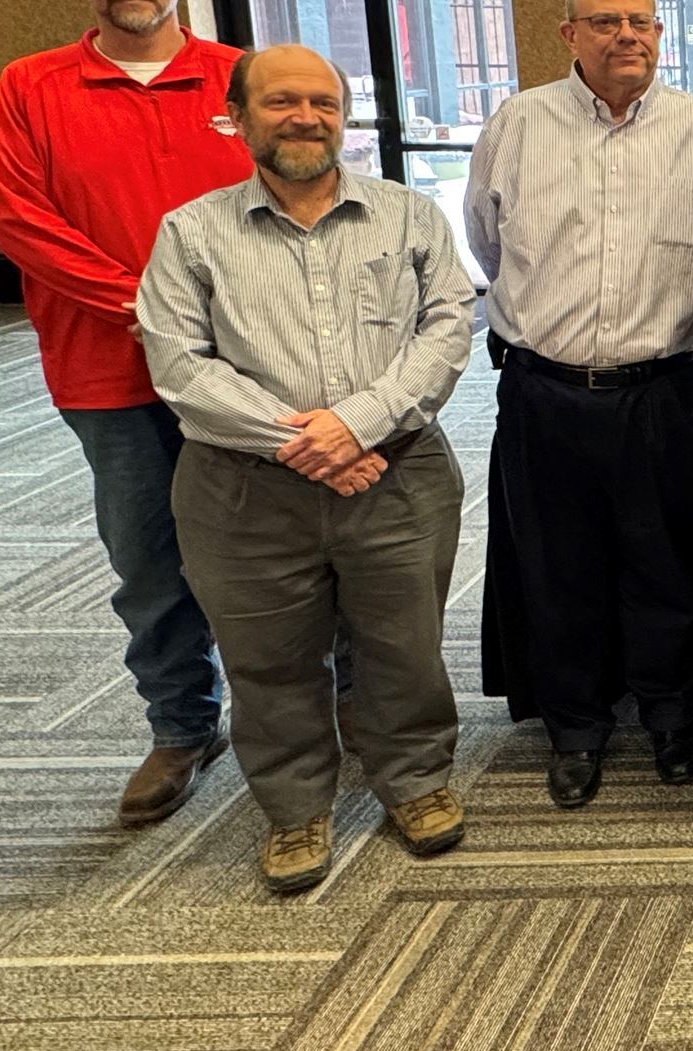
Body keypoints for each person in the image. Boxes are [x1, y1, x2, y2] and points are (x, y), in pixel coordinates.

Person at [137, 44, 475, 895]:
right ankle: (295, 809)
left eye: (323, 103)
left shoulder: (409, 216)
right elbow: (179, 364)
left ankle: (415, 780)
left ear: (345, 116)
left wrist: (357, 425)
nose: (305, 118)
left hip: (395, 473)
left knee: (404, 644)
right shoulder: (192, 231)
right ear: (239, 116)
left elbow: (446, 331)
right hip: (243, 487)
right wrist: (304, 441)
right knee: (268, 656)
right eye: (282, 102)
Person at [0, 0, 247, 828]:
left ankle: (322, 713)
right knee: (149, 558)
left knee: (286, 549)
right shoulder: (31, 88)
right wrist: (140, 304)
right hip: (111, 373)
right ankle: (182, 726)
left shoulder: (241, 80)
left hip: (250, 372)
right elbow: (20, 223)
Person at [468, 0, 693, 809]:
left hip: (663, 391)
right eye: (607, 22)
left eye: (643, 23)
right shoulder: (517, 124)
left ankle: (668, 714)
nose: (629, 38)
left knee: (663, 564)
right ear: (568, 34)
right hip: (544, 392)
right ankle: (574, 727)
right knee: (556, 567)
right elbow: (487, 245)